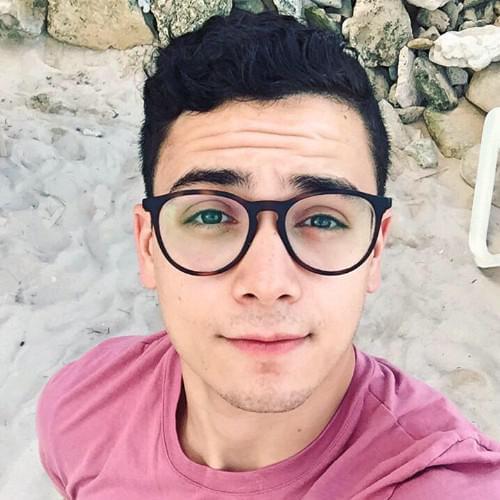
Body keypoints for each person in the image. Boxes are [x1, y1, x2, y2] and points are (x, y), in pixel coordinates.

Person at [36, 10, 500, 499]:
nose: (267, 282)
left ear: (374, 251)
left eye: (322, 219)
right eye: (210, 215)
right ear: (148, 245)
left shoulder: (437, 481)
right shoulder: (80, 414)